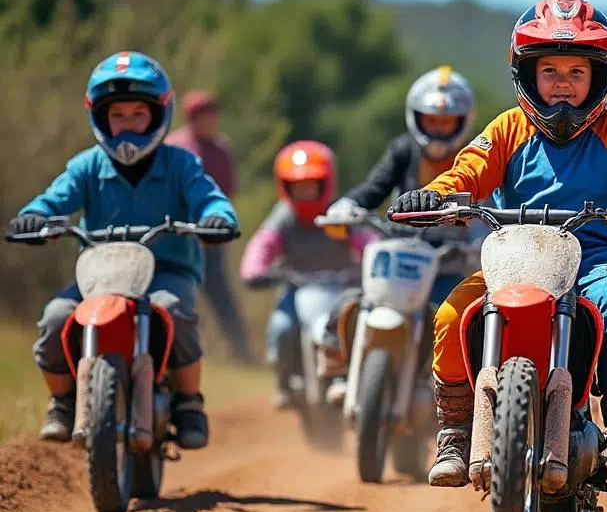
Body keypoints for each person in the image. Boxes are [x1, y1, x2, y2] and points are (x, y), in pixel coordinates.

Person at [386, 0, 607, 499]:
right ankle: (457, 435)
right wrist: (437, 195)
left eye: (577, 71)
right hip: (514, 257)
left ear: (600, 77)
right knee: (449, 316)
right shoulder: (507, 128)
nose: (564, 84)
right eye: (550, 70)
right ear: (527, 75)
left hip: (596, 258)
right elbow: (468, 171)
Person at [6, 52, 238, 446]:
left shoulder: (183, 165)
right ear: (100, 118)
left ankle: (188, 402)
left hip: (167, 270)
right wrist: (34, 217)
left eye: (137, 115)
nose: (127, 125)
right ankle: (62, 402)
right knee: (55, 317)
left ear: (158, 115)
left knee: (175, 311)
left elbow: (210, 198)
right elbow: (53, 200)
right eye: (117, 116)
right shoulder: (86, 166)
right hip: (100, 275)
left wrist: (217, 217)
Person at [319, 65, 487, 406]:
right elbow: (375, 187)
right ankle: (339, 367)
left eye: (447, 121)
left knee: (451, 318)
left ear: (462, 121)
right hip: (399, 248)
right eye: (431, 120)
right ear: (416, 118)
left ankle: (443, 384)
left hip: (450, 261)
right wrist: (348, 205)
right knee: (352, 301)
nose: (438, 129)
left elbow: (489, 200)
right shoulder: (402, 150)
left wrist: (478, 240)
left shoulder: (474, 156)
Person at [240, 141, 372, 409]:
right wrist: (254, 270)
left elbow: (366, 240)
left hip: (342, 289)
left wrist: (374, 260)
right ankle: (284, 382)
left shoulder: (339, 213)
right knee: (281, 329)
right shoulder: (284, 217)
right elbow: (262, 244)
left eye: (310, 187)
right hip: (295, 288)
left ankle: (347, 378)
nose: (304, 194)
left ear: (326, 184)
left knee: (355, 327)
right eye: (297, 188)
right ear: (285, 187)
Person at [166, 90, 253, 363]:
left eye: (213, 115)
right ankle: (184, 352)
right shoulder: (174, 146)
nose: (210, 121)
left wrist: (217, 224)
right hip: (177, 235)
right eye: (204, 116)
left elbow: (228, 190)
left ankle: (241, 352)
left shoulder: (220, 148)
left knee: (220, 295)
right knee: (179, 294)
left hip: (210, 235)